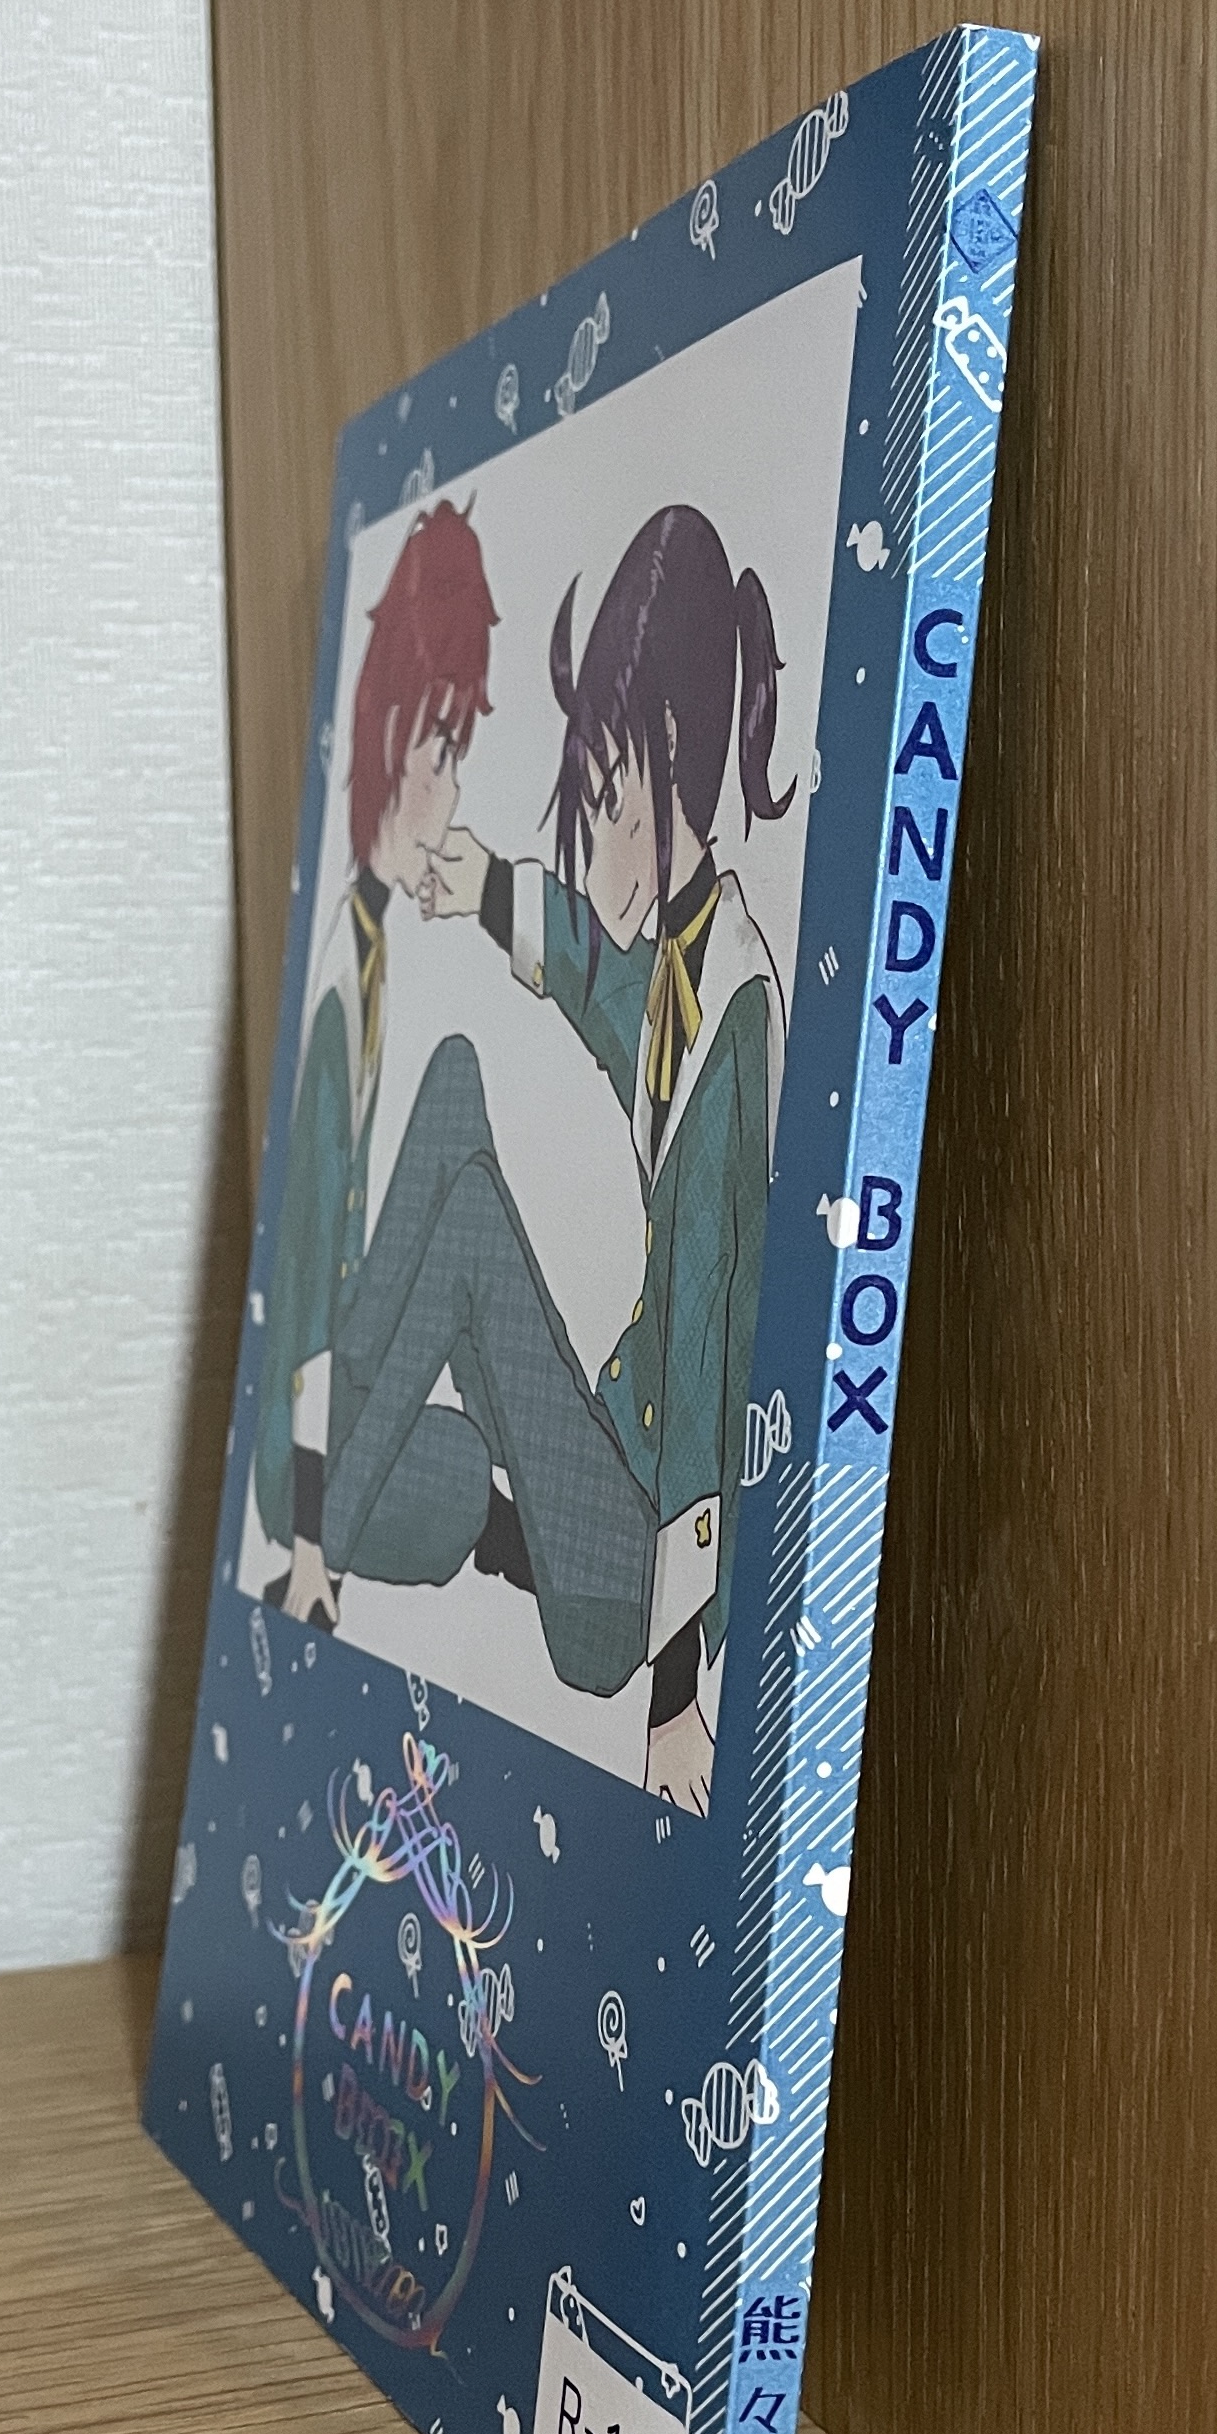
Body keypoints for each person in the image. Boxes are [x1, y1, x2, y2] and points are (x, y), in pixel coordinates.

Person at [359, 503, 793, 1810]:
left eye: (608, 802)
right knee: (451, 1091)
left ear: (677, 760)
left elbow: (710, 1369)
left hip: (635, 1576)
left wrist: (676, 1704)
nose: (594, 840)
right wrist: (486, 886)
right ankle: (374, 1446)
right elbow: (607, 995)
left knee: (471, 1230)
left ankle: (345, 1490)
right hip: (603, 1463)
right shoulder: (678, 961)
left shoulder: (735, 1015)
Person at [255, 499, 499, 1630]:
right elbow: (307, 1292)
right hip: (299, 1448)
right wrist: (311, 1550)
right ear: (391, 739)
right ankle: (380, 1513)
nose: (451, 796)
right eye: (441, 755)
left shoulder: (370, 932)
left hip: (351, 1358)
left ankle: (532, 1451)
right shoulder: (331, 996)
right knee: (454, 1481)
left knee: (454, 1077)